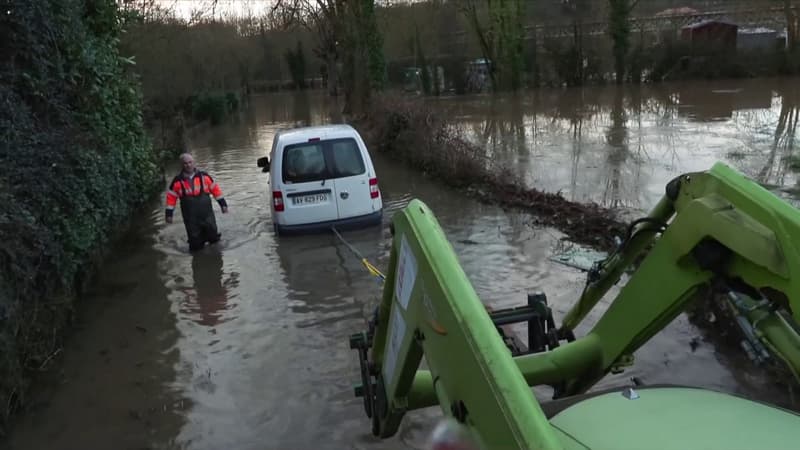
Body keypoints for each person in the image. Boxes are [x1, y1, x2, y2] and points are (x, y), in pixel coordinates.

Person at [165, 153, 228, 251]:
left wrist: (223, 205)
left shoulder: (205, 177)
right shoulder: (177, 181)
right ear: (182, 165)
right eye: (185, 163)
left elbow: (216, 191)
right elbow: (171, 198)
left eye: (190, 162)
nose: (188, 165)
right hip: (190, 218)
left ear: (194, 163)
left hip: (207, 215)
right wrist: (169, 214)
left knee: (214, 238)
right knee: (195, 244)